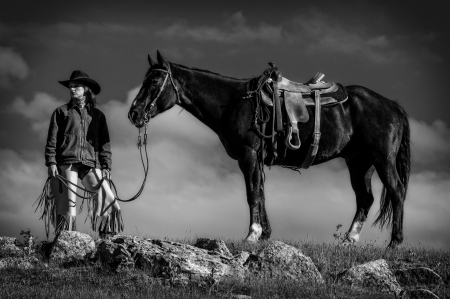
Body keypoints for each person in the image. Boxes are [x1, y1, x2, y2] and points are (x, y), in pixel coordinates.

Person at [44, 70, 123, 236]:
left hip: (90, 162)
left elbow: (104, 144)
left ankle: (106, 238)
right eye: (71, 87)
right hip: (66, 160)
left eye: (76, 86)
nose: (72, 89)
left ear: (86, 89)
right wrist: (51, 162)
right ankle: (65, 240)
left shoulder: (98, 116)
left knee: (105, 196)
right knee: (67, 203)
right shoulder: (61, 112)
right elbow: (52, 140)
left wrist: (106, 166)